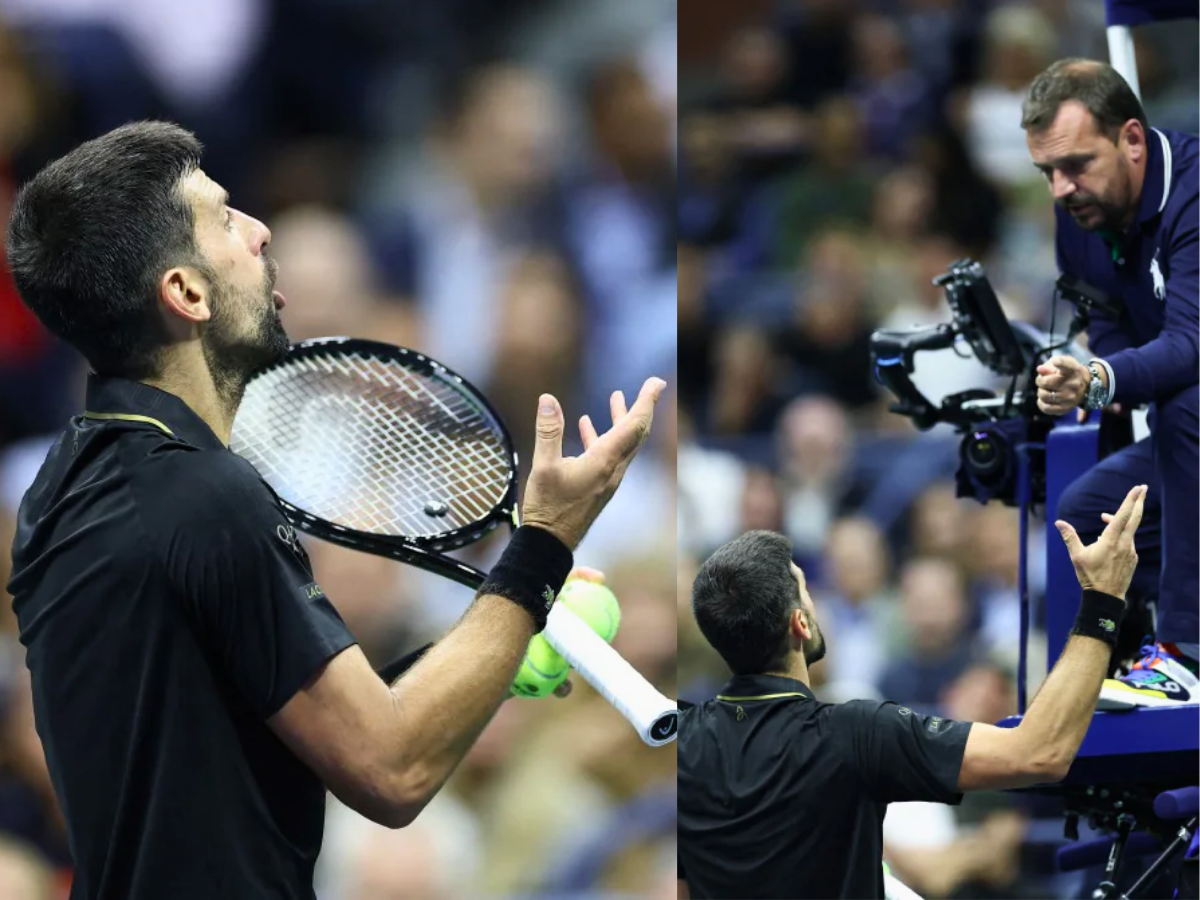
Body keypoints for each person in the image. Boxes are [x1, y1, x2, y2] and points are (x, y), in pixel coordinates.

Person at [3, 121, 666, 899]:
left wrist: (493, 652)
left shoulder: (63, 489)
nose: (258, 230)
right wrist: (545, 541)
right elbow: (391, 768)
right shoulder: (206, 495)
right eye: (224, 219)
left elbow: (261, 733)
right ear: (183, 292)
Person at [677, 485, 1146, 900]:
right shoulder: (855, 732)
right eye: (805, 591)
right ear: (800, 623)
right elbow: (1042, 751)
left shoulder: (681, 742)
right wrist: (1103, 600)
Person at [1025, 59, 1198, 709]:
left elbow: (1192, 345)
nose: (1061, 190)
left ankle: (1187, 656)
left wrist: (1097, 379)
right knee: (1085, 512)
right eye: (1047, 172)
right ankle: (1127, 674)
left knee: (1188, 403)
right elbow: (1106, 316)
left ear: (1131, 139)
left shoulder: (1195, 191)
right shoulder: (1082, 217)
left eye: (1075, 165)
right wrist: (1102, 374)